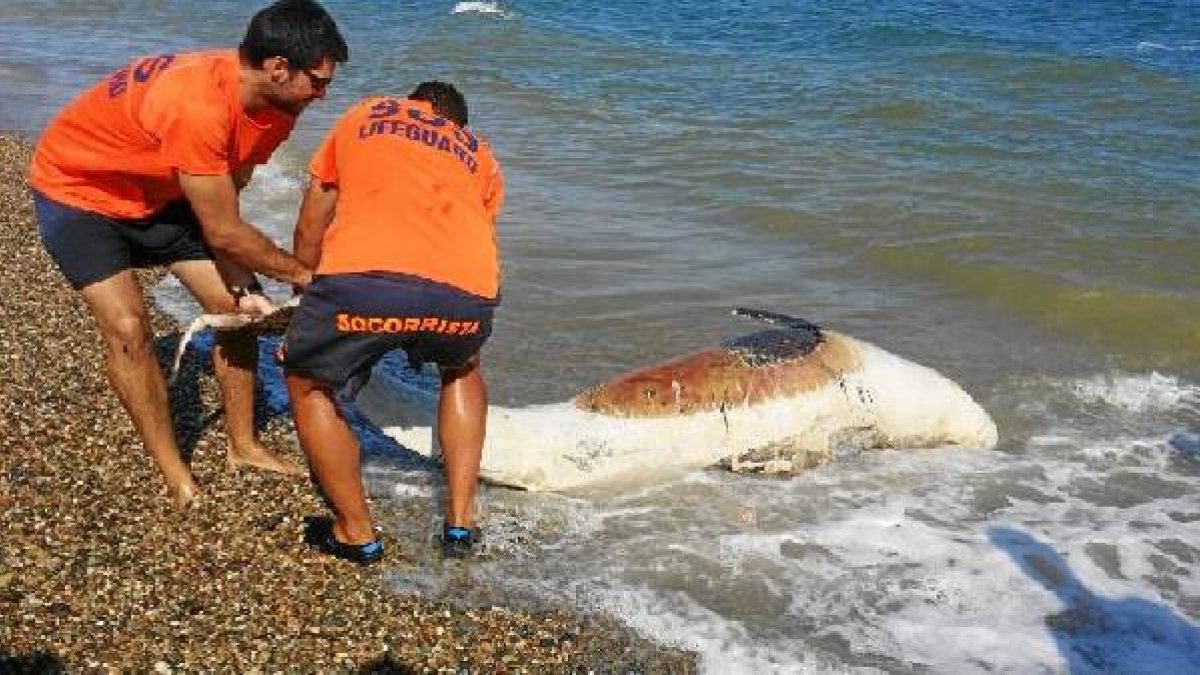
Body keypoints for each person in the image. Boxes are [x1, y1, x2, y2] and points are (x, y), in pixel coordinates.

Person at [27, 0, 348, 509]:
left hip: (163, 194)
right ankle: (174, 470)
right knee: (130, 329)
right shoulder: (198, 103)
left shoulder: (277, 108)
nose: (324, 95)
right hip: (79, 193)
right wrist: (306, 275)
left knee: (237, 311)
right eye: (317, 81)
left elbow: (228, 198)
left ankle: (242, 445)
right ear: (277, 68)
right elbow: (222, 231)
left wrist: (241, 282)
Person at [283, 81, 504, 564]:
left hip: (367, 279)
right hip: (467, 294)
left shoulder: (367, 114)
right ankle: (461, 524)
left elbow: (314, 213)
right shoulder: (479, 152)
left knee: (306, 380)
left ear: (411, 104)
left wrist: (304, 288)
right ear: (456, 123)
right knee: (462, 368)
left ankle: (355, 533)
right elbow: (474, 234)